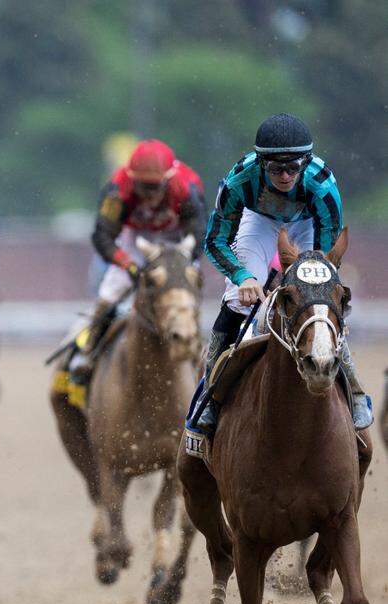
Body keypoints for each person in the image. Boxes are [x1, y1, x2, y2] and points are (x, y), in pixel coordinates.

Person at [192, 112, 369, 434]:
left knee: (318, 296)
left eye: (293, 167)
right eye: (276, 169)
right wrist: (243, 276)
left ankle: (355, 392)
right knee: (238, 299)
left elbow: (327, 251)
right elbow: (215, 240)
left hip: (307, 222)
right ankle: (210, 396)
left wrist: (305, 278)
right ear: (261, 165)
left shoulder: (323, 185)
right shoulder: (237, 182)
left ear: (306, 162)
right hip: (258, 220)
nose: (286, 176)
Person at [69, 140, 206, 380]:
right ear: (131, 179)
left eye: (155, 187)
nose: (150, 194)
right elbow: (103, 236)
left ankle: (198, 347)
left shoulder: (186, 187)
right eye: (143, 186)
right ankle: (88, 349)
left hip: (176, 240)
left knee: (186, 290)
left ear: (169, 178)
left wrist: (183, 263)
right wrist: (128, 265)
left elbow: (199, 232)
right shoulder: (116, 191)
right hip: (136, 238)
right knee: (110, 293)